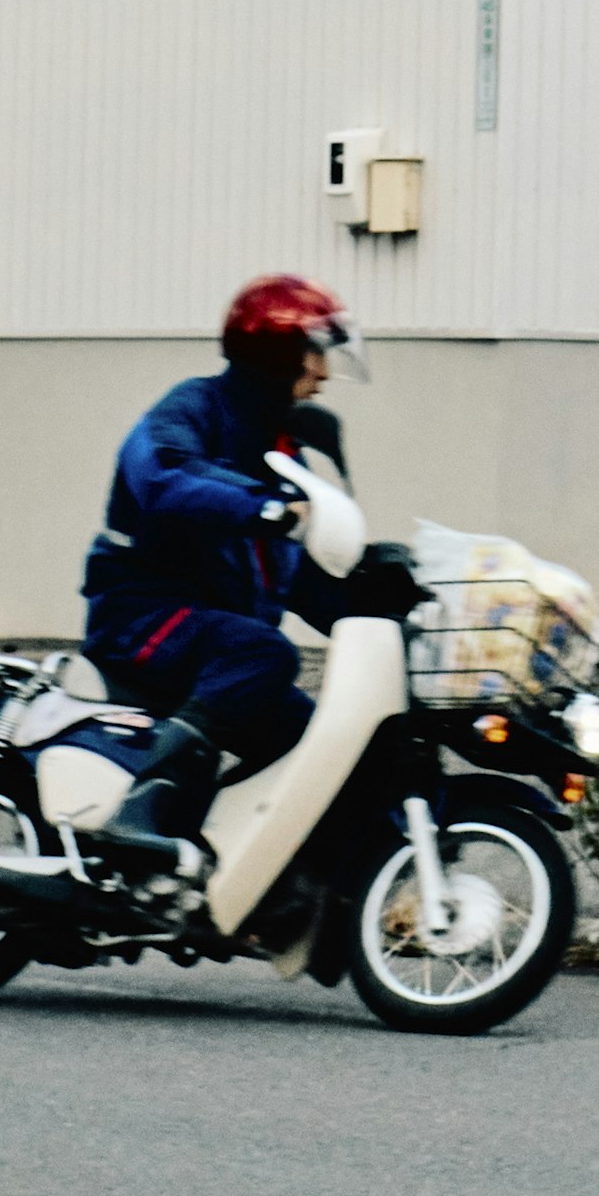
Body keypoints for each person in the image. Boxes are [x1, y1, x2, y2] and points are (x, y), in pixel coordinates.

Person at [86, 275, 368, 882]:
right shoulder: (192, 409)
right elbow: (163, 480)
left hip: (212, 639)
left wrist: (377, 605)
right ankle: (143, 809)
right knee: (264, 651)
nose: (323, 374)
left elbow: (291, 574)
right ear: (278, 354)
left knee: (313, 741)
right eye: (316, 354)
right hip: (144, 618)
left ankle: (218, 856)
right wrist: (266, 510)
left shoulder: (280, 450)